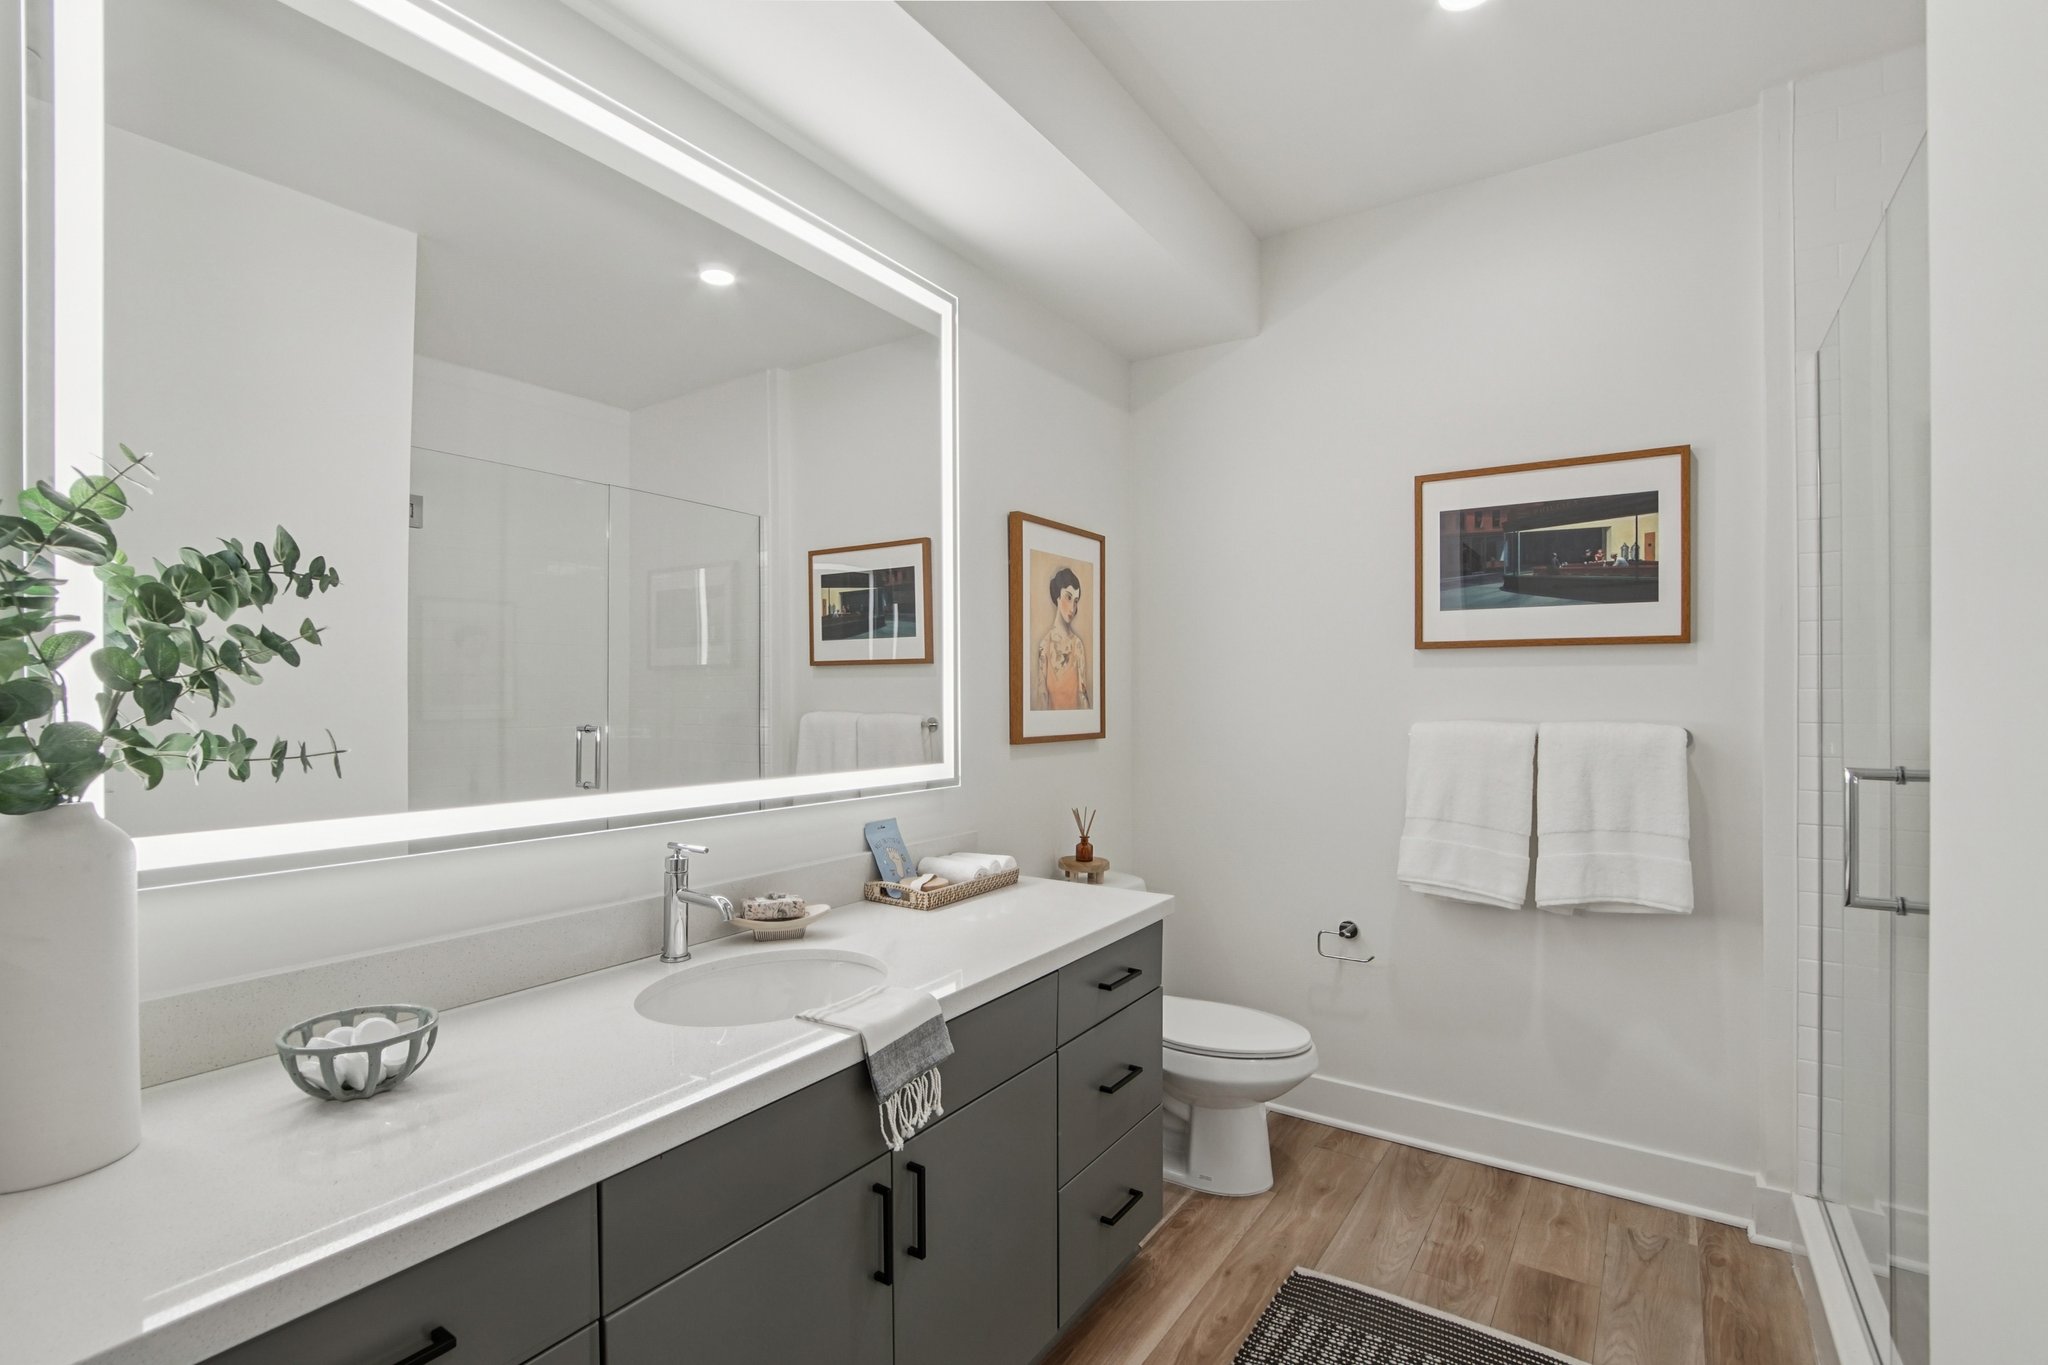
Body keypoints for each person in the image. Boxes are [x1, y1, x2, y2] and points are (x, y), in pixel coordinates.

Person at [1033, 566, 1091, 711]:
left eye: (1076, 600)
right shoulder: (1045, 645)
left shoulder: (1077, 645)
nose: (1073, 607)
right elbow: (1042, 696)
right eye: (1069, 597)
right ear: (1057, 597)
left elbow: (1083, 695)